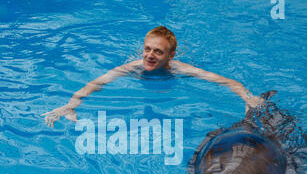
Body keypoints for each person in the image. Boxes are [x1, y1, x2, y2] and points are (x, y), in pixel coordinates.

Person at [41, 26, 264, 127]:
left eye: (158, 51)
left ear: (171, 55)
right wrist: (70, 105)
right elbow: (96, 83)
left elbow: (224, 81)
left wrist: (247, 96)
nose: (149, 55)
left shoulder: (179, 69)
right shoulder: (132, 67)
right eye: (147, 49)